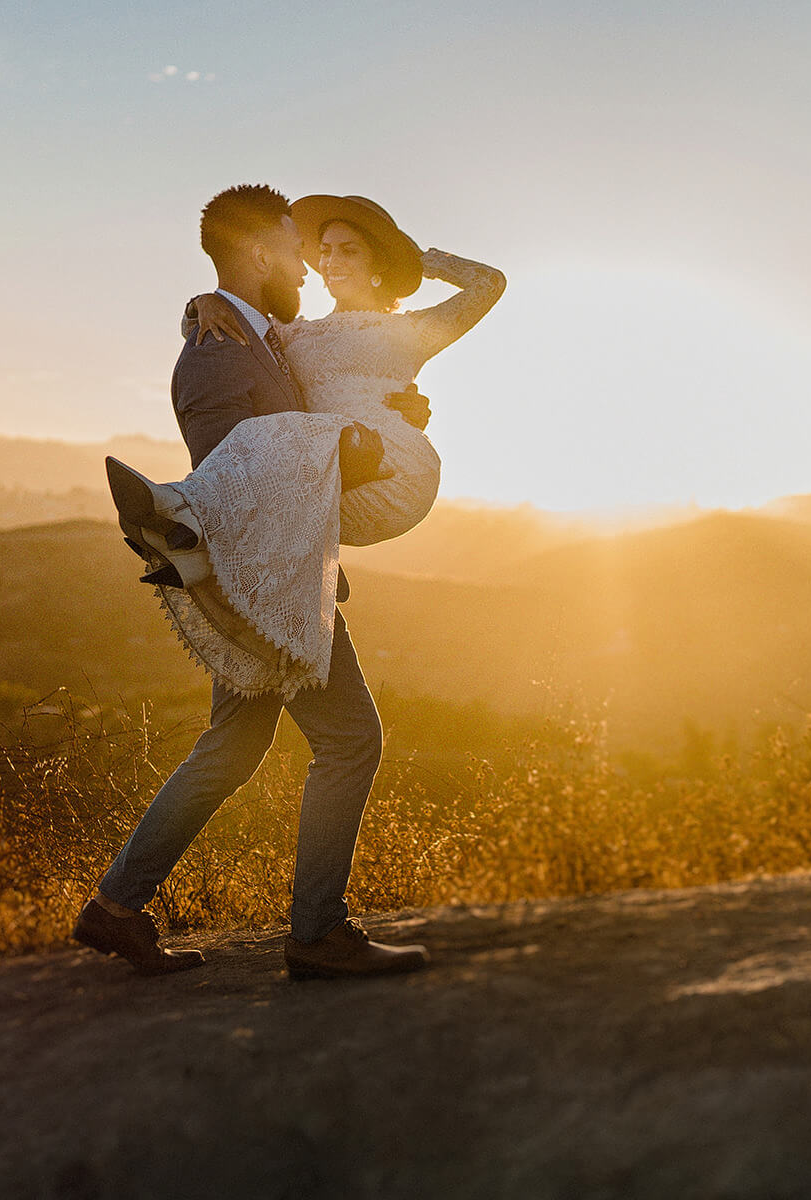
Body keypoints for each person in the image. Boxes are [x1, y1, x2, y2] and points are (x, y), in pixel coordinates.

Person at [74, 184, 499, 980]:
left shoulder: (253, 334)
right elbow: (234, 467)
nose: (309, 263)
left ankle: (115, 908)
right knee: (349, 741)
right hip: (264, 580)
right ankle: (317, 934)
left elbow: (324, 389)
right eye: (295, 247)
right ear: (263, 253)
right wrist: (354, 452)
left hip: (270, 571)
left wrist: (390, 413)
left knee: (233, 744)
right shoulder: (217, 347)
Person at [110, 190, 505, 698]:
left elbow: (489, 283)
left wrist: (419, 260)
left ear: (379, 262)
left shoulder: (411, 332)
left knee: (273, 438)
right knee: (267, 440)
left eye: (350, 250)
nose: (330, 260)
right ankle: (193, 535)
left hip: (390, 469)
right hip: (329, 465)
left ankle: (183, 511)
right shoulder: (294, 334)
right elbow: (238, 326)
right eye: (325, 249)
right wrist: (199, 303)